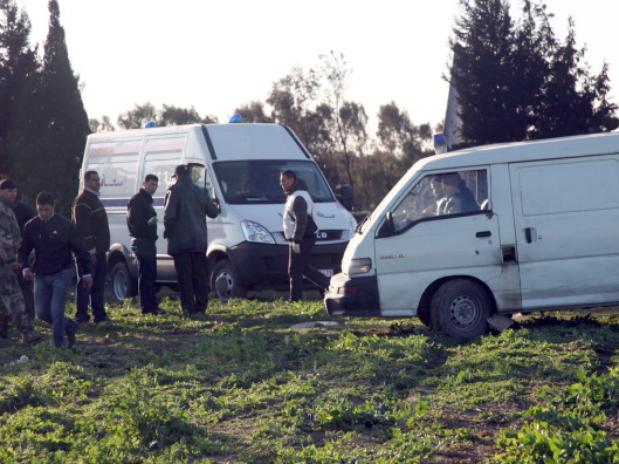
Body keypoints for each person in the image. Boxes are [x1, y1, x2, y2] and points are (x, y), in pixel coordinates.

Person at [20, 192, 92, 348]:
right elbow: (24, 249)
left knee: (56, 310)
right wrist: (25, 266)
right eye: (40, 210)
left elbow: (80, 250)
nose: (44, 213)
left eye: (47, 210)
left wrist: (86, 273)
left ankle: (58, 345)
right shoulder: (32, 226)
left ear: (53, 207)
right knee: (42, 312)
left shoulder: (65, 225)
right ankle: (70, 325)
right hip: (40, 273)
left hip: (62, 271)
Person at [164, 164, 219, 314]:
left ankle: (188, 308)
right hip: (199, 241)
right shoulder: (201, 191)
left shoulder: (174, 191)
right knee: (199, 276)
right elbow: (213, 212)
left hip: (181, 243)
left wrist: (167, 232)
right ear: (190, 175)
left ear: (177, 176)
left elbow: (169, 216)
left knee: (185, 277)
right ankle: (201, 307)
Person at [280, 170, 330, 301]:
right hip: (302, 237)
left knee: (294, 269)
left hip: (302, 238)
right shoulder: (296, 195)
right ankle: (328, 285)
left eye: (284, 180)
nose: (282, 183)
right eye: (281, 181)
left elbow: (301, 221)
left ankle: (295, 299)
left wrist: (296, 240)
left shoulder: (298, 197)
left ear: (291, 180)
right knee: (303, 268)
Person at [0, 188, 41, 344]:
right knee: (13, 298)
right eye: (9, 191)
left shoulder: (9, 210)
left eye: (15, 191)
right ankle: (24, 332)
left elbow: (15, 237)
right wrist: (11, 260)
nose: (13, 194)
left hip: (8, 263)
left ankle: (17, 333)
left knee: (11, 297)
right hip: (4, 263)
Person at [72, 170, 110, 324]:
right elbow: (83, 229)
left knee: (99, 285)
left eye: (98, 180)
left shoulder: (94, 199)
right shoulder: (83, 202)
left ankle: (99, 315)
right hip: (89, 252)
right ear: (86, 182)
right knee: (86, 283)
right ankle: (81, 316)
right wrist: (91, 250)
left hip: (100, 250)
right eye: (94, 180)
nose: (98, 182)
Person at [127, 174, 159, 315]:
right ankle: (146, 307)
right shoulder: (138, 200)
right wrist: (148, 223)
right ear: (144, 183)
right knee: (146, 274)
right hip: (142, 241)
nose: (153, 187)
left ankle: (152, 305)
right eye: (151, 184)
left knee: (150, 274)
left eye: (155, 185)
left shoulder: (146, 200)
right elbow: (134, 223)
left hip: (148, 241)